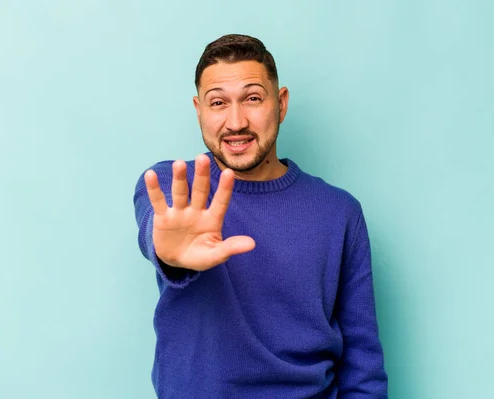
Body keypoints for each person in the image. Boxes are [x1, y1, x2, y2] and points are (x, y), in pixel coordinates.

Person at [133, 34, 388, 398]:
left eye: (252, 98)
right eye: (218, 103)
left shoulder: (340, 212)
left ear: (280, 103)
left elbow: (363, 361)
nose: (236, 122)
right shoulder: (173, 187)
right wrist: (171, 256)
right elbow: (155, 230)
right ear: (199, 109)